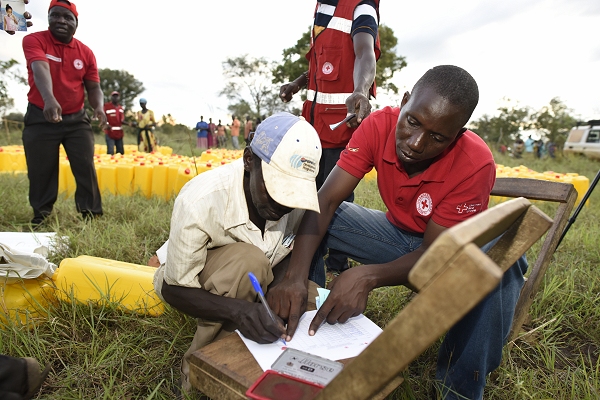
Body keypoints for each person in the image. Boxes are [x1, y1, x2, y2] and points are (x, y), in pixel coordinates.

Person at [268, 66, 529, 400]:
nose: (417, 143)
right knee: (316, 214)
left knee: (501, 260)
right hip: (394, 236)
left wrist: (368, 277)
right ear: (404, 102)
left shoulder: (475, 162)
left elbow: (436, 254)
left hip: (448, 253)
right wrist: (294, 275)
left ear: (459, 133)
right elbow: (328, 199)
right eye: (413, 122)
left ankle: (459, 388)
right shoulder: (377, 126)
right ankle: (306, 326)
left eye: (438, 138)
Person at [152, 112, 322, 393]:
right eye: (277, 189)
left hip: (255, 275)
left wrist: (281, 290)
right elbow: (175, 289)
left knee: (310, 297)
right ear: (248, 160)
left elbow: (285, 254)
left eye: (292, 194)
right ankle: (200, 377)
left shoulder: (296, 202)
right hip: (191, 281)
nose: (283, 205)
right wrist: (241, 311)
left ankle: (270, 371)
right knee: (248, 263)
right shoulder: (201, 199)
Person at [279, 0, 381, 276]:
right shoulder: (322, 10)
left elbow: (364, 52)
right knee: (309, 195)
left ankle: (338, 265)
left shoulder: (361, 6)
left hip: (340, 128)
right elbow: (320, 64)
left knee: (335, 200)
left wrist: (361, 89)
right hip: (313, 130)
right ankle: (309, 257)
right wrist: (297, 84)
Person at [21, 0, 105, 225]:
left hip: (77, 119)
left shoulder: (86, 53)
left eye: (68, 17)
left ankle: (91, 214)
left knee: (84, 165)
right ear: (48, 18)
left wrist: (98, 107)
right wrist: (49, 99)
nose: (61, 20)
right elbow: (40, 67)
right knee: (41, 169)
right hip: (40, 115)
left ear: (76, 23)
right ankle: (41, 215)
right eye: (55, 15)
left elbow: (94, 86)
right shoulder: (34, 40)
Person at [103, 91, 125, 155]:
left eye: (117, 96)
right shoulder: (106, 106)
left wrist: (129, 124)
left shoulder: (120, 108)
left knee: (120, 152)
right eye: (114, 96)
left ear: (119, 97)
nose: (115, 98)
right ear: (111, 97)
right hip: (110, 131)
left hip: (119, 132)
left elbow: (122, 120)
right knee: (110, 151)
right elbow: (102, 116)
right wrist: (106, 124)